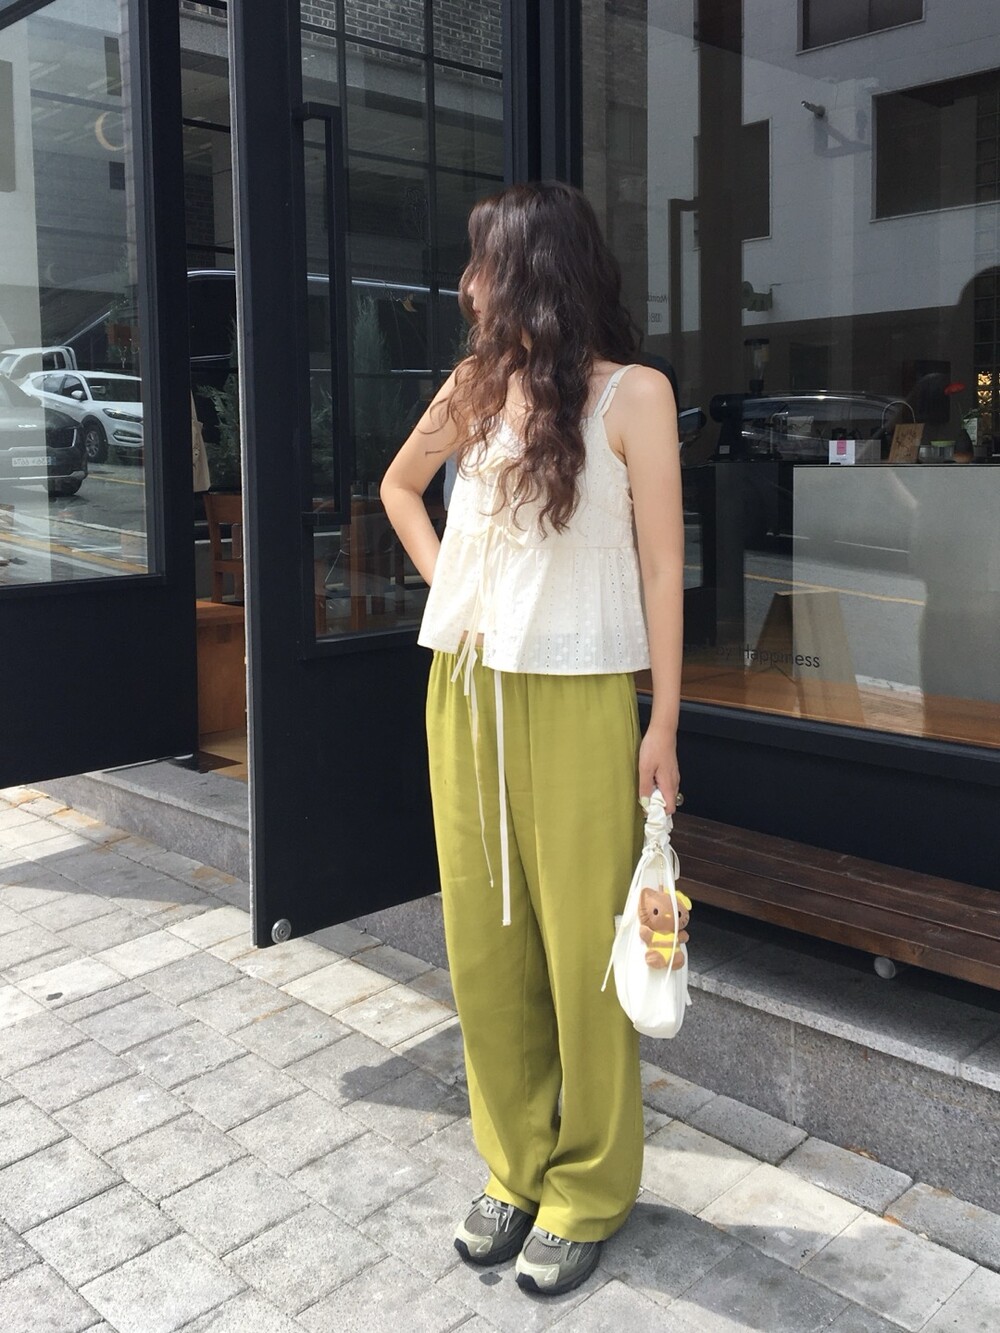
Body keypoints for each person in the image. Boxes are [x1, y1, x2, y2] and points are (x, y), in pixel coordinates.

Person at [381, 181, 684, 1297]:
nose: (466, 285)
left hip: (579, 697)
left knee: (584, 952)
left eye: (480, 264)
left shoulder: (633, 396)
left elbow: (663, 565)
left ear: (527, 273)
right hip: (465, 691)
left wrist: (664, 718)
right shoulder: (472, 388)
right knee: (486, 945)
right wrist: (457, 594)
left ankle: (589, 1185)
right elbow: (398, 487)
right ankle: (513, 1167)